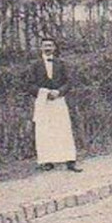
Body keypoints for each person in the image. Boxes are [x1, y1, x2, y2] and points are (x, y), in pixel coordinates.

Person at [28, 37, 81, 172]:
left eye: (50, 45)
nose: (47, 48)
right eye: (45, 46)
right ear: (41, 48)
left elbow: (69, 82)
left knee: (63, 129)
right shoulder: (35, 65)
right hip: (43, 102)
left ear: (54, 48)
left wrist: (59, 92)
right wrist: (43, 92)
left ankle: (70, 160)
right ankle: (47, 161)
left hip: (58, 100)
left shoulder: (61, 64)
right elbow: (29, 85)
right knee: (45, 130)